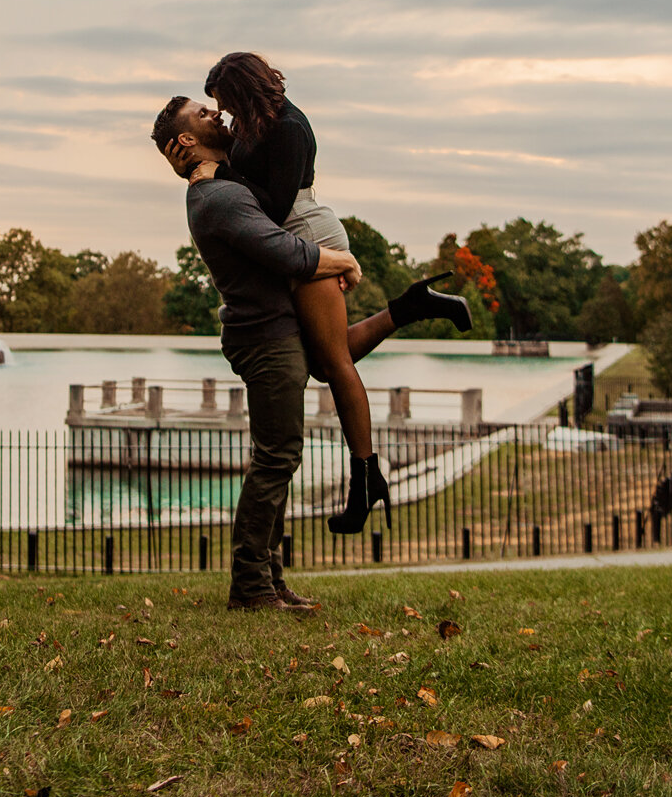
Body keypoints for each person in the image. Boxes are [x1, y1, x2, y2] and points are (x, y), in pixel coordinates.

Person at [151, 96, 469, 611]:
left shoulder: (222, 183)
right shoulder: (216, 198)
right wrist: (342, 259)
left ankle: (270, 579)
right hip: (265, 338)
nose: (215, 113)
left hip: (275, 331)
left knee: (306, 406)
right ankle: (251, 584)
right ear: (186, 138)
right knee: (276, 458)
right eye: (202, 113)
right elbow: (283, 251)